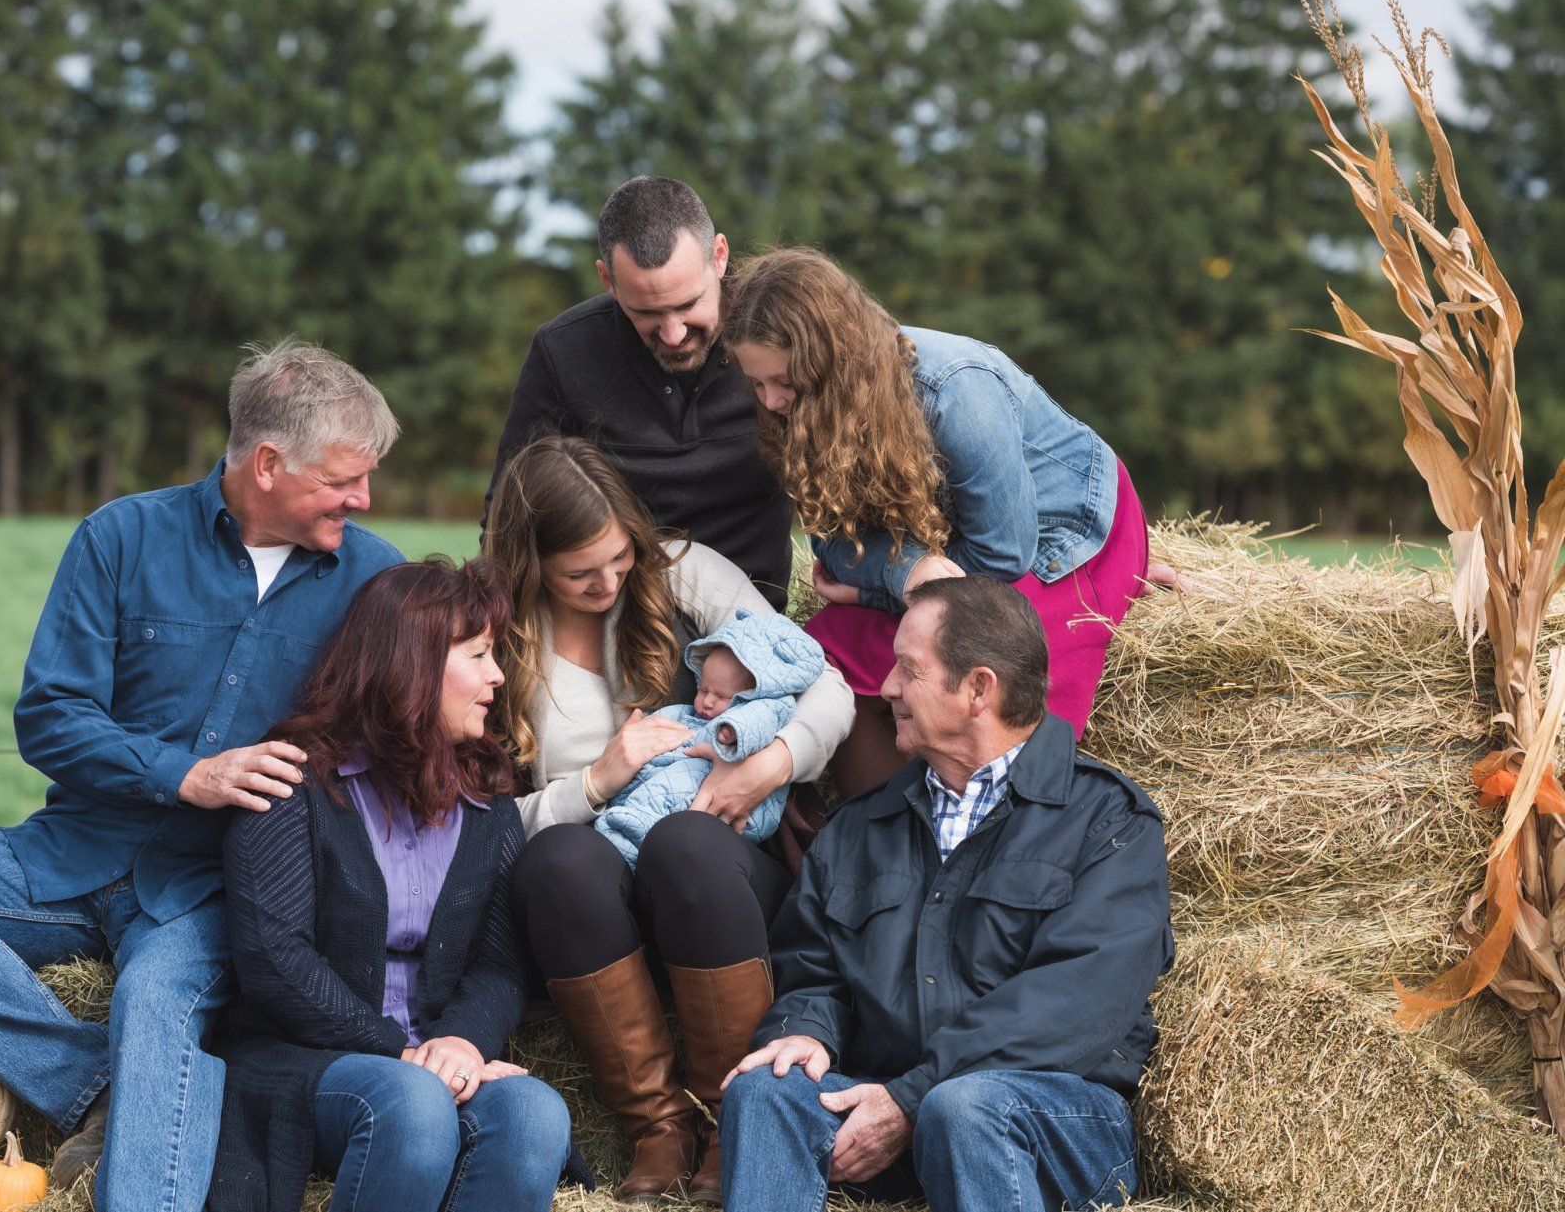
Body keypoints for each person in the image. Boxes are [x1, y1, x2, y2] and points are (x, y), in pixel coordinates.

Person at [0, 341, 405, 1212]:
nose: (362, 499)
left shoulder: (375, 579)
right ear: (266, 462)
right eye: (343, 480)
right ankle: (98, 1083)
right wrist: (187, 775)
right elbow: (50, 716)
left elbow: (400, 741)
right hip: (72, 853)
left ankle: (141, 1121)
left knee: (155, 997)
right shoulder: (120, 537)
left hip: (219, 886)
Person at [720, 576, 1173, 1212]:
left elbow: (1074, 1003)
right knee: (765, 1090)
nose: (886, 688)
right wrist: (807, 1032)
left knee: (964, 1106)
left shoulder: (1107, 820)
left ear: (978, 688)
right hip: (893, 1105)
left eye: (909, 669)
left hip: (1050, 1120)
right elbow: (813, 969)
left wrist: (912, 1096)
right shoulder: (862, 825)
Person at [482, 435, 853, 1203]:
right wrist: (593, 782)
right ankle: (657, 1128)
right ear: (528, 562)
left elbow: (827, 684)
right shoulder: (494, 633)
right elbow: (474, 828)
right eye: (581, 571)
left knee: (685, 841)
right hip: (585, 910)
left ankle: (732, 1119)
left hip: (711, 871)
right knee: (558, 857)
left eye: (620, 558)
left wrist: (770, 762)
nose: (610, 581)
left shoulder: (684, 572)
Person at [207, 559, 581, 1212]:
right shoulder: (297, 784)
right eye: (479, 654)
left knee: (534, 1111)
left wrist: (460, 1044)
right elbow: (275, 960)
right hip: (307, 1064)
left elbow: (500, 968)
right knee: (412, 1105)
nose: (497, 675)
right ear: (414, 663)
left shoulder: (487, 805)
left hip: (427, 1069)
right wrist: (403, 1053)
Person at [721, 247, 1154, 797]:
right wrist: (907, 572)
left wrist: (874, 589)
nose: (772, 400)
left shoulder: (957, 391)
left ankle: (989, 829)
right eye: (756, 384)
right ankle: (888, 836)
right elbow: (830, 546)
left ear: (830, 357)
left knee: (973, 670)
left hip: (1054, 537)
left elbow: (1001, 558)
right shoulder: (800, 408)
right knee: (826, 654)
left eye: (783, 381)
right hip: (942, 548)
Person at [489, 175, 795, 609]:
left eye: (688, 304)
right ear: (607, 280)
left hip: (752, 612)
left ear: (720, 256)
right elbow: (508, 514)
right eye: (646, 312)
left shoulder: (781, 334)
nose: (672, 335)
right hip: (619, 612)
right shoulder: (564, 350)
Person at [594, 609, 827, 868]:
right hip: (694, 772)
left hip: (733, 782)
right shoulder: (694, 714)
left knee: (669, 790)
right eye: (703, 689)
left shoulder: (769, 706)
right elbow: (670, 721)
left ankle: (624, 844)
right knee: (661, 786)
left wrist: (734, 731)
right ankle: (623, 825)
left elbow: (760, 719)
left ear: (751, 694)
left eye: (722, 696)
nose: (707, 701)